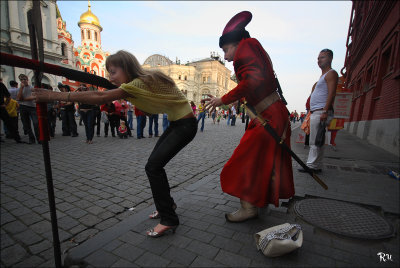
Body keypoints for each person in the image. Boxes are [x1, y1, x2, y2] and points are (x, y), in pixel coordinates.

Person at [32, 50, 197, 237]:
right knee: (153, 166)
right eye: (109, 72)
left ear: (126, 68)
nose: (111, 77)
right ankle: (167, 205)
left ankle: (169, 218)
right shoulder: (141, 81)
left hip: (184, 126)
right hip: (179, 123)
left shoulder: (138, 83)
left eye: (113, 72)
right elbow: (140, 106)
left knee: (153, 167)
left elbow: (100, 97)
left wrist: (53, 96)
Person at [205, 11, 294, 222]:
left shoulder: (246, 47)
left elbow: (252, 80)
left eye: (226, 50)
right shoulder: (253, 46)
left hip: (268, 117)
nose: (226, 57)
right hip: (271, 113)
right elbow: (258, 82)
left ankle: (249, 208)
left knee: (243, 161)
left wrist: (222, 99)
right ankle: (256, 202)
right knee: (260, 162)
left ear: (236, 43)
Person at [299, 49, 338, 173]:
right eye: (318, 58)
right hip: (317, 111)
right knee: (318, 139)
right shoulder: (323, 75)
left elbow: (332, 93)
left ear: (330, 58)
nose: (319, 60)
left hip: (321, 111)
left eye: (322, 57)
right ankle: (317, 165)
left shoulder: (331, 73)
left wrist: (325, 111)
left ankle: (311, 166)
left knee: (315, 141)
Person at [17, 74, 40, 144]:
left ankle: (39, 138)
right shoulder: (19, 89)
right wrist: (21, 88)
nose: (23, 81)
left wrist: (23, 99)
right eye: (22, 80)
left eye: (24, 79)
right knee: (26, 124)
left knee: (36, 123)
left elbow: (33, 97)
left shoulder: (31, 88)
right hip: (23, 107)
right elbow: (18, 98)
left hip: (32, 107)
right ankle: (31, 139)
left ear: (27, 80)